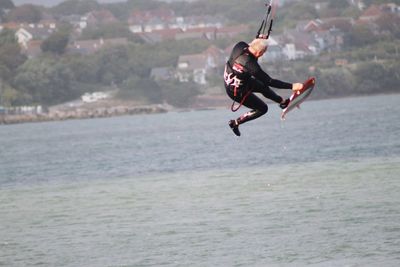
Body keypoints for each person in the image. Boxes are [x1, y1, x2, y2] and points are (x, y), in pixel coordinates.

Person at [224, 38, 304, 136]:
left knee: (263, 87)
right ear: (259, 53)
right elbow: (270, 81)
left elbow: (254, 44)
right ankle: (235, 123)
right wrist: (292, 86)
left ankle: (283, 103)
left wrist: (260, 39)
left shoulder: (240, 46)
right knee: (262, 109)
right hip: (237, 92)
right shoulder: (251, 66)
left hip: (239, 80)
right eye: (263, 53)